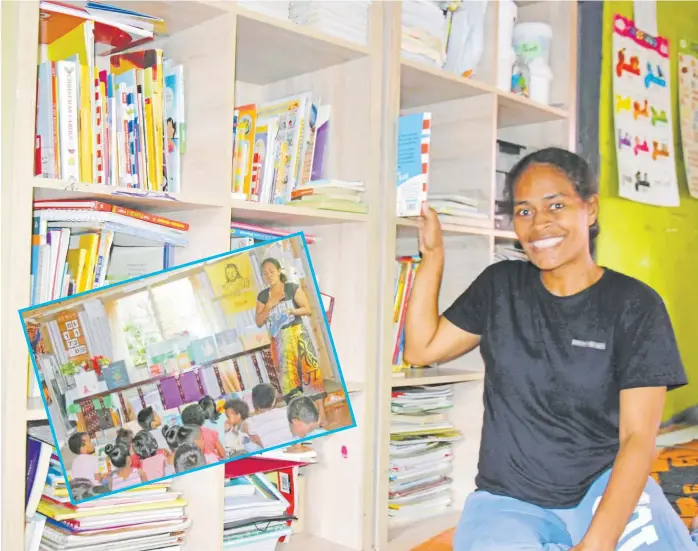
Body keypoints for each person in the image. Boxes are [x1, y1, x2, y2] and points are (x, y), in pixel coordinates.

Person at [404, 147, 695, 551]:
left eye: (555, 205)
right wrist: (432, 256)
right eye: (524, 211)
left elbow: (637, 439)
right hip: (508, 501)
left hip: (605, 487)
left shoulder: (635, 305)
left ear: (589, 209)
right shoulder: (500, 286)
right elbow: (422, 349)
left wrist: (596, 544)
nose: (539, 224)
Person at [255, 257, 327, 425]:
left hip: (298, 335)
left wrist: (292, 311)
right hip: (279, 341)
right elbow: (259, 321)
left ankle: (322, 416)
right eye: (265, 273)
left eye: (271, 271)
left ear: (279, 271)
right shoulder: (263, 296)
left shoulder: (291, 287)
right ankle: (301, 420)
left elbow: (307, 309)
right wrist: (269, 305)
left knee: (311, 373)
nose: (268, 275)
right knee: (288, 381)